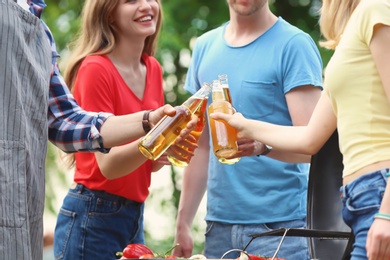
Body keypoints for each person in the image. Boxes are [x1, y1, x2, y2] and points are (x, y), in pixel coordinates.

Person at [0, 0, 196, 259]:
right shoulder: (95, 68)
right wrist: (151, 138)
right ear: (109, 14)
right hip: (92, 215)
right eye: (131, 1)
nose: (146, 6)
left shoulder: (153, 68)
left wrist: (165, 150)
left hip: (134, 214)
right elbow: (109, 166)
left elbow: (140, 163)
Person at [210, 0, 390, 259]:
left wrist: (386, 212)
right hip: (358, 201)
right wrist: (244, 125)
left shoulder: (376, 8)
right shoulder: (351, 32)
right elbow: (310, 138)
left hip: (379, 192)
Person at [173, 1, 323, 259]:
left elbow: (318, 148)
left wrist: (263, 148)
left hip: (281, 229)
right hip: (217, 227)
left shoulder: (294, 45)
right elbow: (201, 145)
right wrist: (184, 222)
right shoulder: (204, 46)